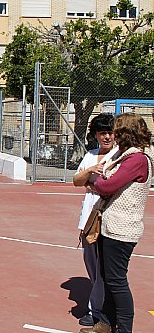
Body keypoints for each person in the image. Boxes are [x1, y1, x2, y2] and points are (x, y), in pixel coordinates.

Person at [81, 113, 153, 333]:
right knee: (106, 278)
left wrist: (95, 179)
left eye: (118, 130)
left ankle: (123, 328)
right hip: (110, 226)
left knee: (117, 282)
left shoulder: (137, 159)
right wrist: (97, 179)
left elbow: (106, 186)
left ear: (127, 133)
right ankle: (105, 323)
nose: (114, 135)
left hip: (122, 230)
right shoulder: (125, 156)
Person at [73, 114, 118, 327]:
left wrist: (92, 185)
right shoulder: (90, 155)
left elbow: (113, 185)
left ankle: (96, 310)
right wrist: (90, 171)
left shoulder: (120, 155)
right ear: (96, 135)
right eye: (102, 133)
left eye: (110, 132)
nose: (107, 137)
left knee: (103, 268)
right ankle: (100, 303)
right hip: (89, 218)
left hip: (107, 217)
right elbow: (77, 180)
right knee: (91, 265)